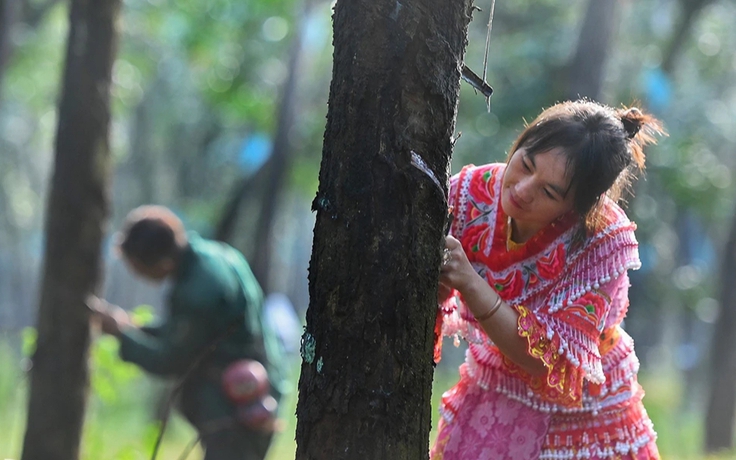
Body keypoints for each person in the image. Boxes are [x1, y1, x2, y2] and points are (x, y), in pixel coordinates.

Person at [430, 99, 665, 459]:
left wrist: (470, 284)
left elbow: (547, 361)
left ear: (579, 207)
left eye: (549, 192)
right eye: (525, 164)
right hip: (495, 395)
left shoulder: (603, 242)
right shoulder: (469, 195)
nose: (523, 190)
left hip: (584, 419)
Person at [89, 205, 287, 460]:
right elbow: (195, 335)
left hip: (236, 406)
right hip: (258, 391)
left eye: (138, 267)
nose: (138, 275)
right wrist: (135, 328)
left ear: (162, 262)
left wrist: (120, 333)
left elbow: (170, 359)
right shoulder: (218, 256)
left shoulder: (196, 291)